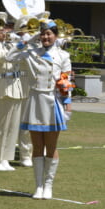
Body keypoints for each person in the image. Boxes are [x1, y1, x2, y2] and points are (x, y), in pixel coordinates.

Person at [7, 18, 73, 199]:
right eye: (43, 33)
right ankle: (38, 185)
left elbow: (66, 82)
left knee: (51, 147)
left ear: (55, 36)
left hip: (53, 101)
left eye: (49, 34)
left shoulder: (63, 56)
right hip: (35, 100)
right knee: (37, 146)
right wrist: (27, 40)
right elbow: (9, 57)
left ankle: (49, 185)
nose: (45, 37)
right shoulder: (31, 52)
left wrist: (68, 106)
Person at [0, 11, 25, 171]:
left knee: (13, 125)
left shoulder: (9, 43)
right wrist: (17, 46)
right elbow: (0, 57)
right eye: (0, 28)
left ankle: (6, 158)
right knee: (2, 125)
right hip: (3, 84)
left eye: (5, 27)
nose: (4, 30)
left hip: (16, 85)